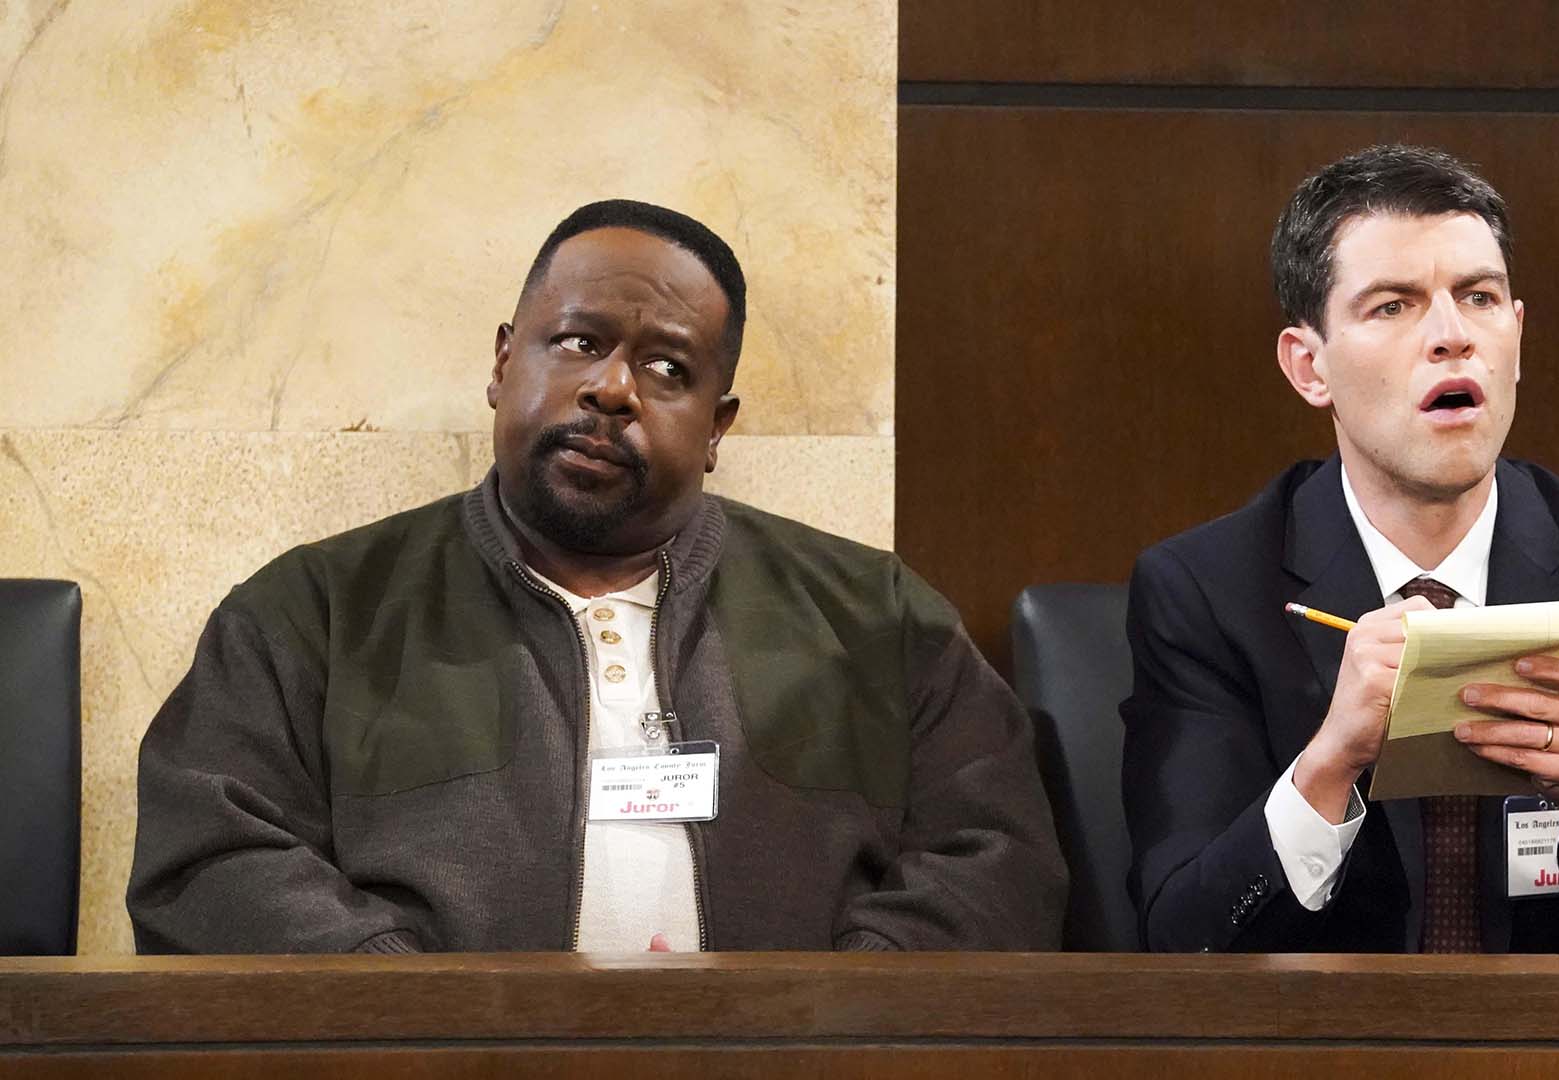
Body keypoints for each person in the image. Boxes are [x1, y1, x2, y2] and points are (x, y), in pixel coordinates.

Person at [128, 199, 1065, 954]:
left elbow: (997, 858)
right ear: (504, 362)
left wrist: (829, 1019)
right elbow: (210, 860)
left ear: (717, 427)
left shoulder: (876, 618)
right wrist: (416, 1016)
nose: (613, 388)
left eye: (667, 367)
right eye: (579, 341)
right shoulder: (316, 613)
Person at [1121, 146, 1559, 954]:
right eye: (1393, 306)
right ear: (1309, 367)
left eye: (1479, 298)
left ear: (1517, 337)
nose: (1453, 337)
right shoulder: (1206, 592)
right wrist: (1329, 764)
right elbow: (1180, 941)